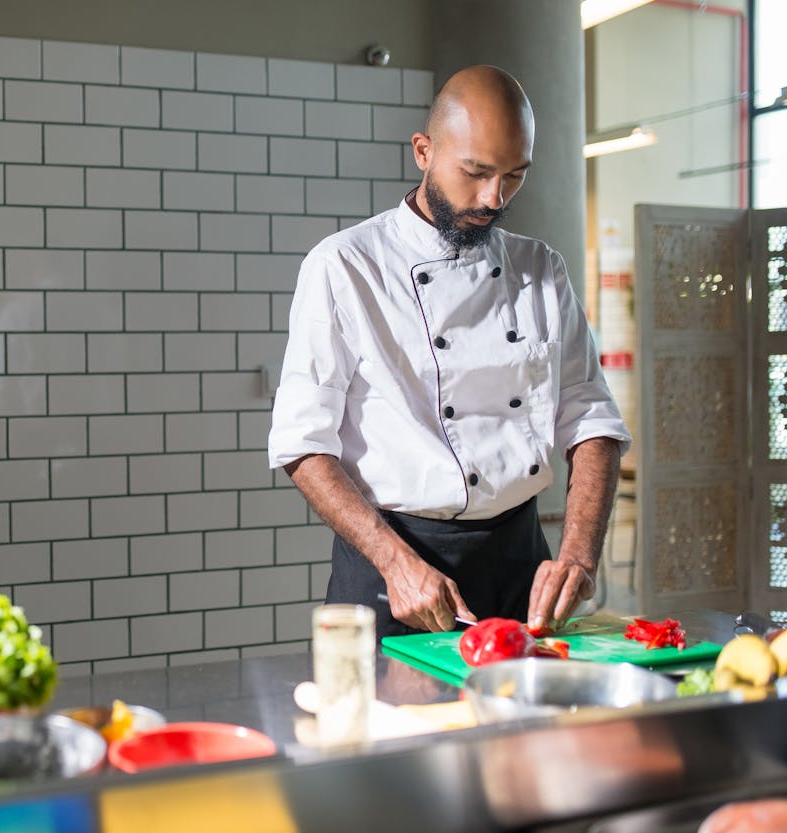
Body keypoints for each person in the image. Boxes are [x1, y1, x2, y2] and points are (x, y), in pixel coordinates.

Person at [267, 65, 630, 640]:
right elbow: (302, 444)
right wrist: (394, 562)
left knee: (523, 728)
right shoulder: (345, 266)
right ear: (423, 150)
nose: (494, 197)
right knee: (398, 729)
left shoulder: (541, 269)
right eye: (476, 172)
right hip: (395, 569)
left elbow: (592, 419)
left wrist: (579, 558)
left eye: (514, 175)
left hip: (519, 565)